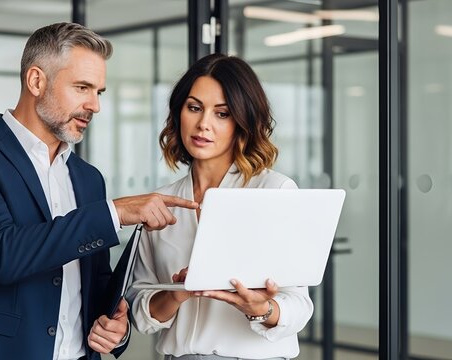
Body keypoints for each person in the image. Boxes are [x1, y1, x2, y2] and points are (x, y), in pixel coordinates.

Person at [0, 22, 197, 360]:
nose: (95, 105)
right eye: (82, 87)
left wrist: (117, 328)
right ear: (36, 81)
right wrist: (115, 212)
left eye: (98, 92)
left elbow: (96, 286)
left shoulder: (88, 178)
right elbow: (2, 255)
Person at [127, 54, 314, 360]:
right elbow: (141, 311)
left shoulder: (274, 191)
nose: (203, 124)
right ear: (179, 113)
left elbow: (299, 306)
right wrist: (178, 293)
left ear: (242, 121)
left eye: (222, 114)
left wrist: (260, 309)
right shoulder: (160, 203)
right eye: (194, 108)